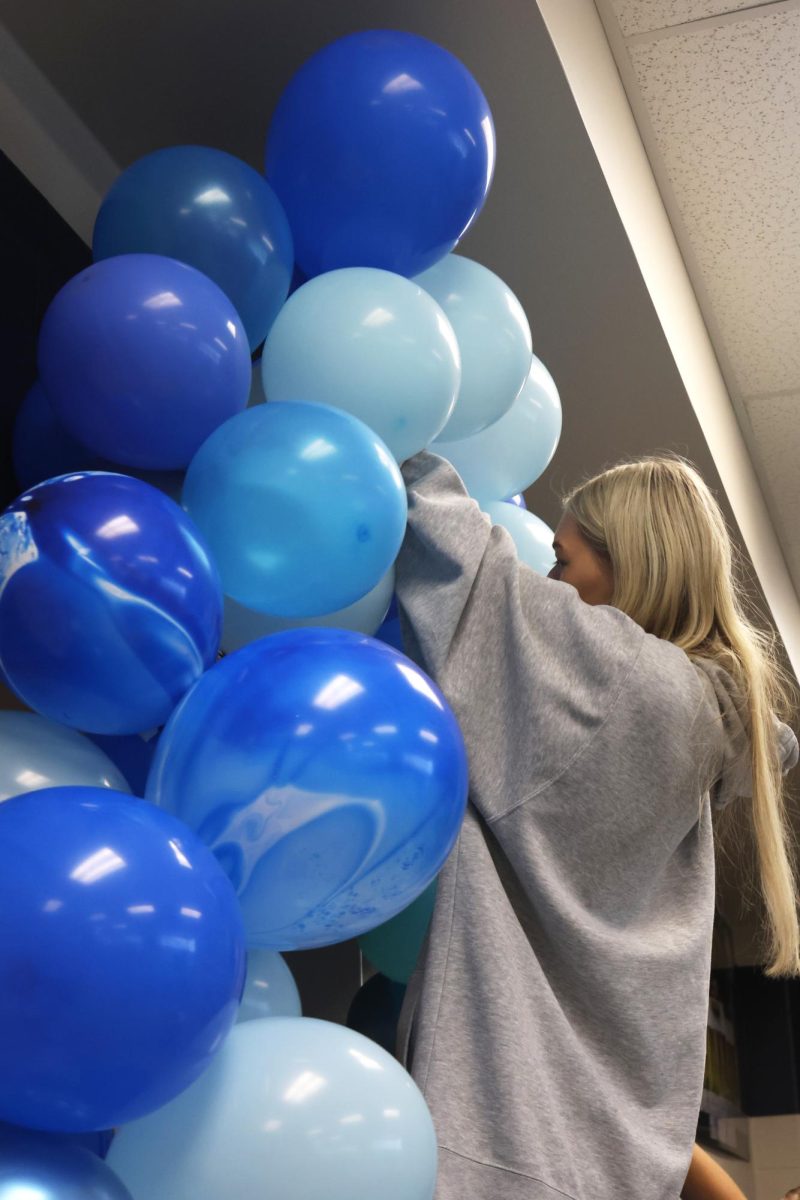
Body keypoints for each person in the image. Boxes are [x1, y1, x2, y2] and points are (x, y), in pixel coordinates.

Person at [394, 451, 799, 1200]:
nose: (551, 582)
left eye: (564, 557)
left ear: (633, 568)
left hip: (493, 1152)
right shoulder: (704, 728)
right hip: (613, 1168)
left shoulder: (620, 680)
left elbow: (464, 568)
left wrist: (401, 444)